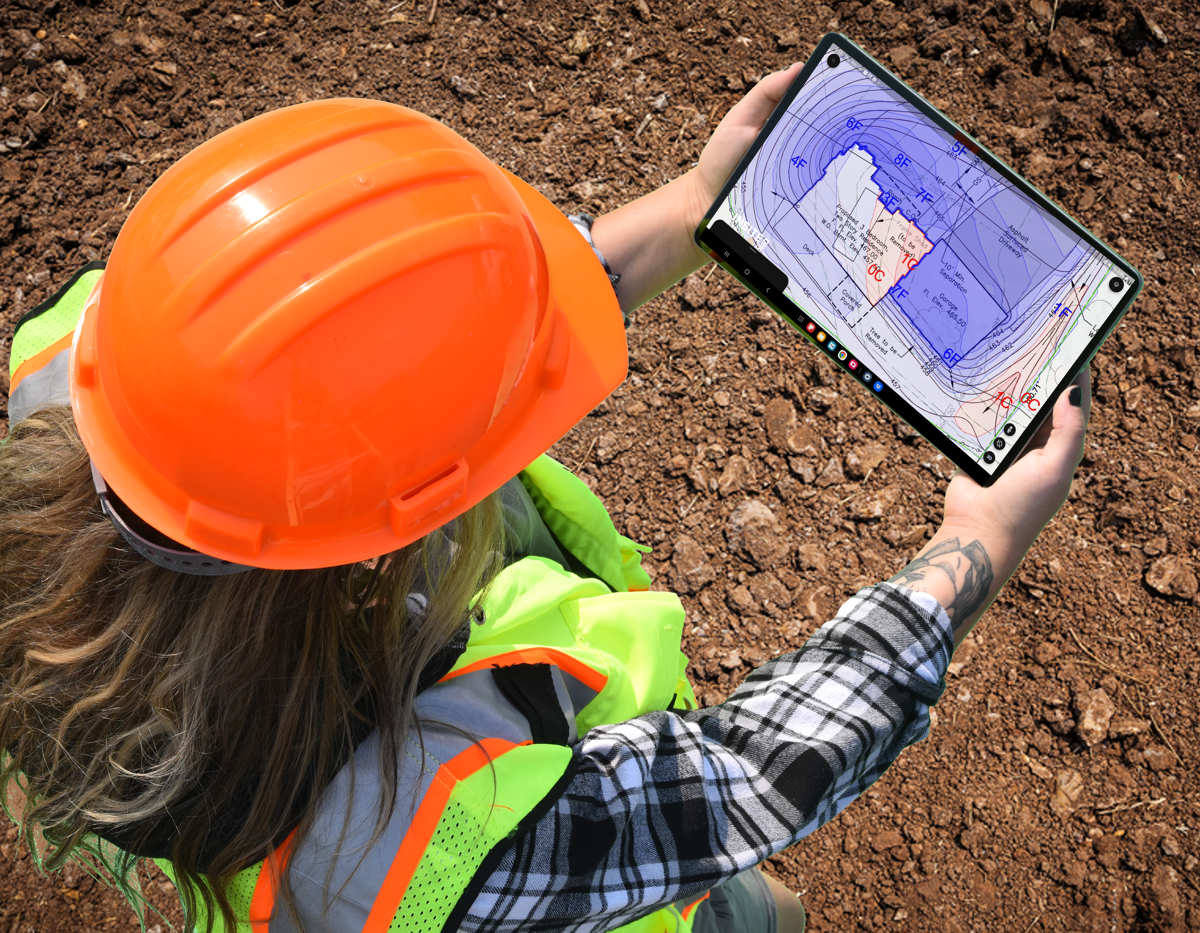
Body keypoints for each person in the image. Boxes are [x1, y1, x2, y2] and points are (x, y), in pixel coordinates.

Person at [0, 63, 1088, 933]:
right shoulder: (409, 850)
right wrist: (976, 541)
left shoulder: (88, 366)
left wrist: (698, 203)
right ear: (389, 544)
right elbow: (738, 783)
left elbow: (375, 338)